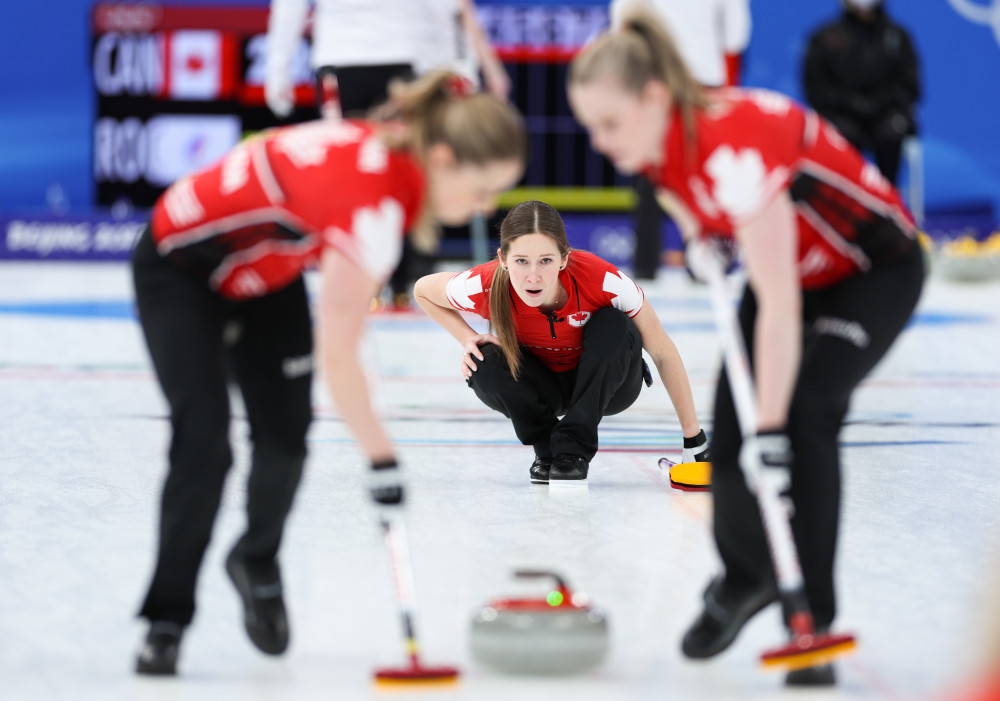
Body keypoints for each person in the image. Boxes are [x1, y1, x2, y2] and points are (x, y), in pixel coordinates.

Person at [567, 3, 923, 685]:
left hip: (872, 269)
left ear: (654, 96)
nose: (601, 142)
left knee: (806, 415)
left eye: (609, 123)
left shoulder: (737, 143)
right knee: (728, 434)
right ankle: (746, 578)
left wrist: (773, 426)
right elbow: (700, 209)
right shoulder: (656, 144)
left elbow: (782, 307)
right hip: (789, 269)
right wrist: (706, 238)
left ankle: (811, 619)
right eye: (590, 126)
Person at [131, 70, 526, 676]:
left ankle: (256, 560)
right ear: (442, 160)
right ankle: (167, 619)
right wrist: (381, 458)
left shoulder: (404, 142)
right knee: (204, 442)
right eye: (481, 191)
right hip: (180, 272)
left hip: (267, 274)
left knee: (287, 438)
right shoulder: (378, 200)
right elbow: (340, 350)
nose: (484, 209)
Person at [413, 199, 708, 486]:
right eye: (521, 261)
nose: (533, 276)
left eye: (545, 261)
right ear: (502, 259)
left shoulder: (603, 281)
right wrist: (468, 338)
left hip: (610, 387)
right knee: (483, 360)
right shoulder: (484, 284)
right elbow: (422, 291)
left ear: (564, 258)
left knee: (616, 324)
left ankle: (572, 452)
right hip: (543, 388)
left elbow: (663, 352)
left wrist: (694, 440)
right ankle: (549, 452)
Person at [266, 0, 510, 310]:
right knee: (389, 170)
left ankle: (395, 284)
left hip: (369, 55)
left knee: (384, 170)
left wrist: (278, 69)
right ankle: (388, 283)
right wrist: (460, 67)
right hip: (378, 55)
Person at [609, 0, 752, 279]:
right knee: (700, 170)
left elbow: (620, 26)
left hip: (652, 76)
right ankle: (703, 263)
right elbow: (736, 35)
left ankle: (645, 264)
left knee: (650, 171)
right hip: (702, 77)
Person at [803, 0, 920, 186]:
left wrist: (879, 104)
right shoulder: (825, 37)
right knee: (842, 135)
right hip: (842, 114)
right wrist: (850, 103)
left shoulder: (898, 37)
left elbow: (910, 86)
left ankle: (887, 200)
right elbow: (815, 89)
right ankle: (846, 199)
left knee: (891, 133)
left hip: (885, 114)